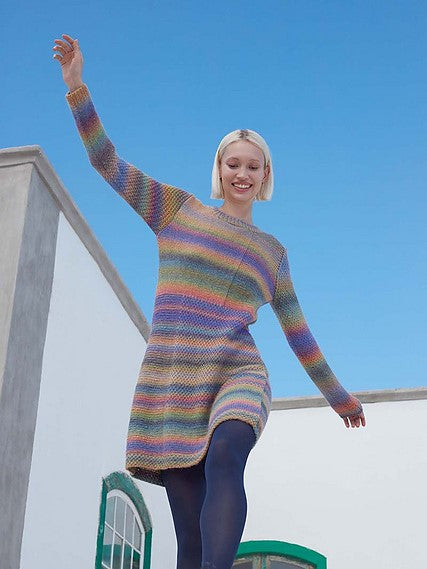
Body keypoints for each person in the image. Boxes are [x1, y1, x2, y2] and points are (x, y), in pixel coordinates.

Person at [53, 34, 366, 569]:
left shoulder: (272, 254)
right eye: (233, 164)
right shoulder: (176, 211)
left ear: (266, 177)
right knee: (190, 540)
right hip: (174, 383)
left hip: (238, 373)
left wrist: (340, 398)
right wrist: (77, 87)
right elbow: (107, 162)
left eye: (253, 167)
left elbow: (300, 336)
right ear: (219, 169)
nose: (242, 174)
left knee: (226, 455)